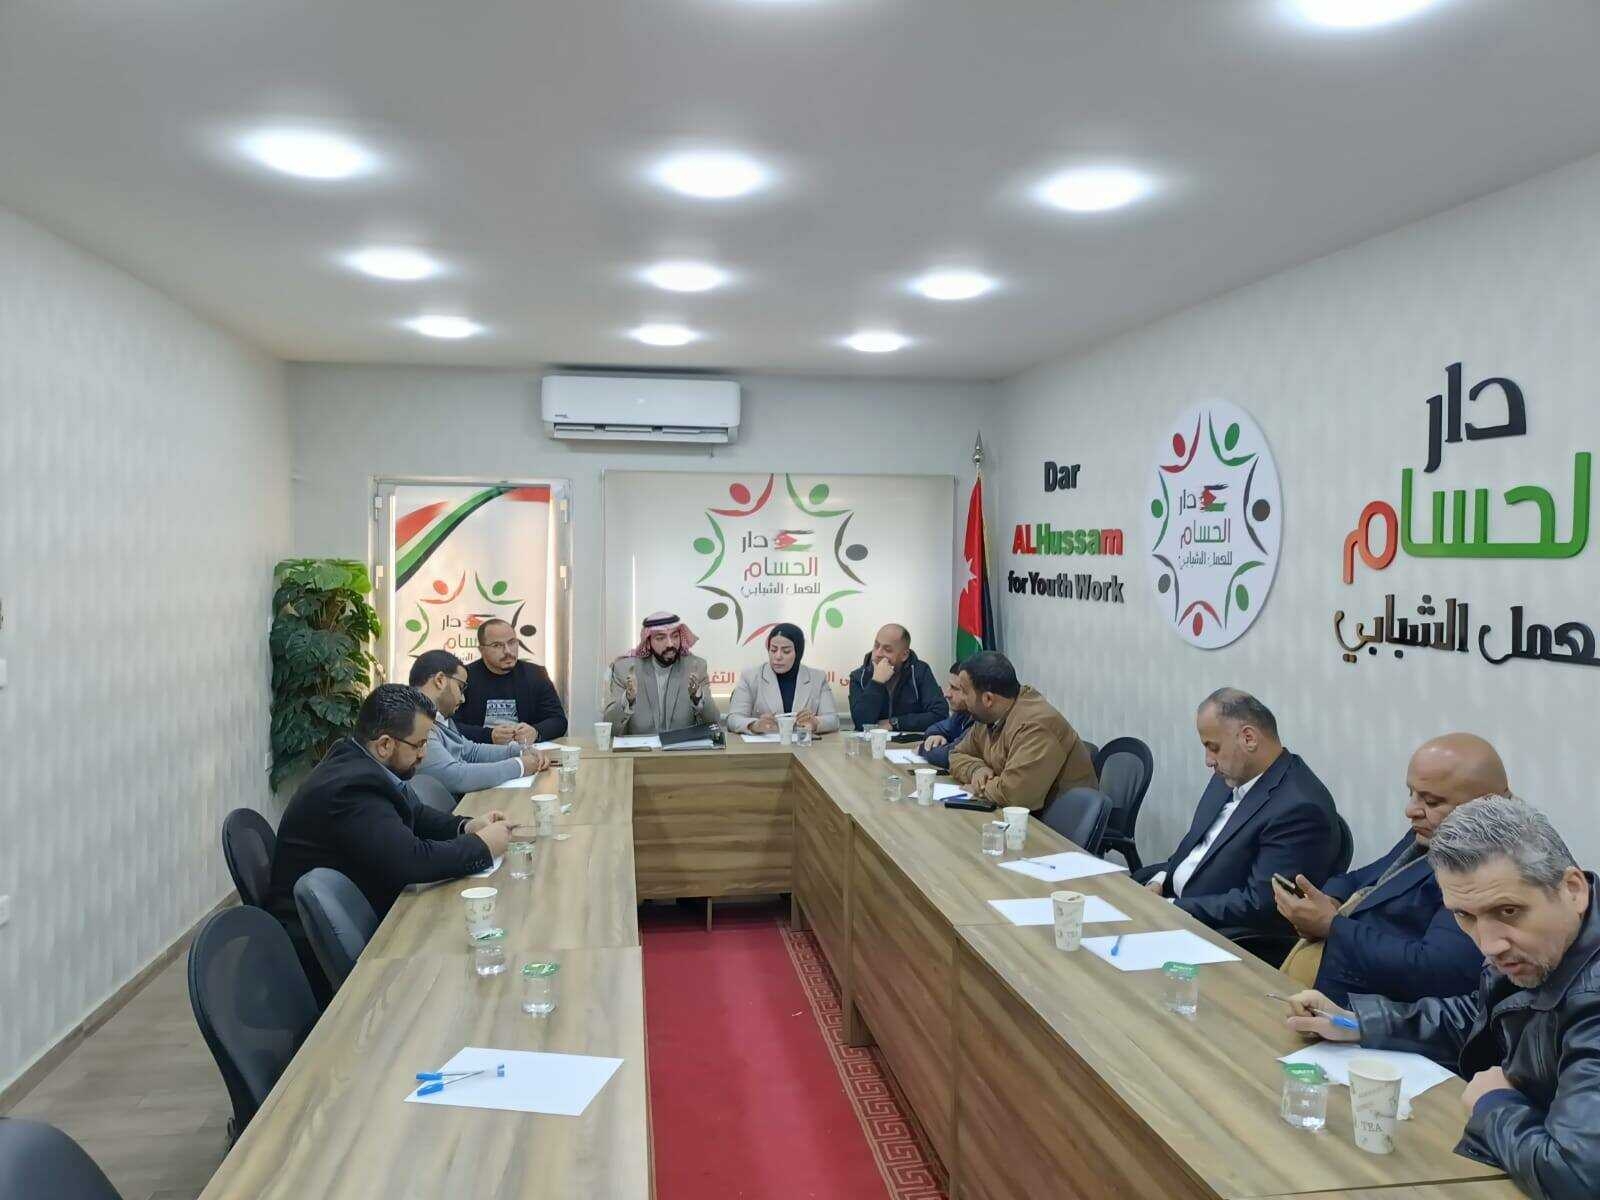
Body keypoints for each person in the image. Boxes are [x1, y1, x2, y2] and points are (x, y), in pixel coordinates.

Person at [1287, 798, 1600, 1200]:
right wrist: (1356, 1022)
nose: (1487, 944)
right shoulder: (1542, 946)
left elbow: (1577, 1179)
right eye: (1464, 916)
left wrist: (1496, 1103)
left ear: (1572, 889)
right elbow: (1484, 1013)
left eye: (1508, 911)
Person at [266, 684, 513, 1004]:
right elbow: (413, 862)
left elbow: (414, 813)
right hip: (329, 952)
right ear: (384, 744)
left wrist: (466, 826)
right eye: (419, 744)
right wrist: (482, 846)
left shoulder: (359, 758)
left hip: (362, 899)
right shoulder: (352, 789)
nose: (424, 754)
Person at [1274, 733, 1505, 1005]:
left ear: (1486, 804)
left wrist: (1332, 926)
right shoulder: (1437, 831)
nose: (1411, 810)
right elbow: (1366, 878)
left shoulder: (1488, 863)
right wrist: (1331, 900)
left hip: (1378, 1013)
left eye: (1431, 802)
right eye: (1412, 794)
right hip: (1325, 987)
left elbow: (1438, 969)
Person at [1137, 688, 1340, 939]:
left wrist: (1170, 908)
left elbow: (1260, 904)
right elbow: (1190, 849)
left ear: (1249, 738)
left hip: (1214, 934)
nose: (1208, 761)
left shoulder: (1299, 808)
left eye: (1213, 747)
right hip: (1167, 903)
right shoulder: (1228, 777)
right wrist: (1158, 881)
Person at [945, 651, 1096, 813]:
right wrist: (975, 769)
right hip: (1014, 816)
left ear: (988, 699)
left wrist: (980, 788)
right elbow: (956, 755)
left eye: (965, 692)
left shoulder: (1036, 724)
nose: (962, 698)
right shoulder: (987, 716)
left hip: (1054, 823)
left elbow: (1015, 797)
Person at [409, 649, 549, 796]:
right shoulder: (414, 721)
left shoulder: (438, 717)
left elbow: (470, 751)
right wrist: (519, 766)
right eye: (460, 688)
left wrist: (519, 751)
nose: (462, 699)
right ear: (440, 680)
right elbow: (455, 777)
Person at [452, 618, 567, 746]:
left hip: (526, 752)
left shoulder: (536, 674)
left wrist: (536, 732)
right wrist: (488, 735)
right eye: (497, 645)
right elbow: (449, 726)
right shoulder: (465, 677)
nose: (508, 651)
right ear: (481, 650)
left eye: (512, 642)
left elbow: (559, 721)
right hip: (477, 753)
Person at [603, 611, 719, 734]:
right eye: (660, 638)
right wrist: (627, 699)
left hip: (681, 745)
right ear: (648, 642)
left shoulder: (695, 667)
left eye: (675, 636)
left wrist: (698, 698)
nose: (670, 644)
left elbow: (714, 725)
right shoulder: (626, 669)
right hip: (641, 746)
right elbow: (609, 729)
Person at [726, 622, 840, 735]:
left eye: (786, 651)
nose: (778, 656)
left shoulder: (817, 678)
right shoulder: (750, 677)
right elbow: (733, 719)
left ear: (798, 652)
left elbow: (833, 720)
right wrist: (754, 725)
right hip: (764, 745)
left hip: (803, 745)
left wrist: (815, 723)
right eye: (773, 650)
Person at [847, 624, 948, 733]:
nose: (878, 653)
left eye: (887, 649)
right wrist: (876, 682)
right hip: (873, 742)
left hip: (911, 742)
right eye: (876, 646)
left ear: (904, 655)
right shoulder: (858, 677)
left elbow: (940, 714)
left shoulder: (920, 671)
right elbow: (861, 724)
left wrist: (895, 723)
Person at [918, 662, 975, 770]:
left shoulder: (980, 720)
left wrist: (923, 748)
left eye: (955, 688)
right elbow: (935, 728)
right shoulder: (962, 713)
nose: (946, 694)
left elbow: (948, 756)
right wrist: (936, 736)